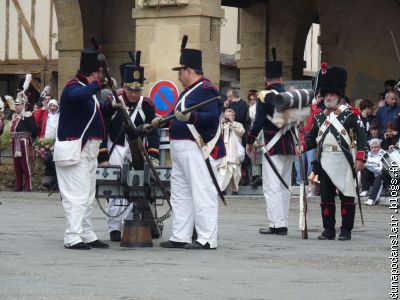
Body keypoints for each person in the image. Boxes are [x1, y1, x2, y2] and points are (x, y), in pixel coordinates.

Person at [152, 35, 225, 250]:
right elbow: (178, 116)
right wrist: (163, 122)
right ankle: (181, 235)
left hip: (197, 148)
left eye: (180, 71)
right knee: (180, 194)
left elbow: (211, 118)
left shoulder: (207, 90)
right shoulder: (187, 93)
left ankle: (206, 238)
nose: (179, 75)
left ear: (189, 70)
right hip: (181, 149)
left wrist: (191, 118)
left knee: (202, 193)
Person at [296, 65, 368, 241]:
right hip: (325, 160)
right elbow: (312, 137)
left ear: (339, 96)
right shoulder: (320, 117)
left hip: (344, 160)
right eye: (326, 94)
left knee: (347, 196)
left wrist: (360, 158)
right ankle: (328, 229)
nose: (328, 97)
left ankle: (346, 230)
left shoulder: (351, 115)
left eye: (332, 94)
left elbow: (362, 138)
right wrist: (303, 146)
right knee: (326, 198)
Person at [55, 48, 117, 250]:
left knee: (88, 196)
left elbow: (96, 116)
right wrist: (101, 84)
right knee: (77, 196)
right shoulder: (73, 87)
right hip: (76, 150)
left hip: (90, 150)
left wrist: (111, 107)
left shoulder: (89, 92)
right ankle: (72, 236)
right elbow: (77, 96)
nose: (100, 76)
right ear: (94, 72)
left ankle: (87, 234)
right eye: (99, 73)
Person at [98, 58, 160, 242]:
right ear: (124, 87)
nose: (134, 94)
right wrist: (103, 156)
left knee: (137, 187)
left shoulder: (147, 105)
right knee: (115, 188)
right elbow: (102, 122)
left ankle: (129, 223)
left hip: (138, 150)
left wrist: (153, 154)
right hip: (116, 147)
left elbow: (153, 132)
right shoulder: (113, 101)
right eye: (131, 90)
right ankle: (114, 228)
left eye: (137, 90)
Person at [245, 48, 296, 236]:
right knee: (284, 186)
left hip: (273, 146)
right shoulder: (290, 96)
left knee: (272, 186)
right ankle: (283, 221)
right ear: (281, 78)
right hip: (289, 145)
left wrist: (250, 141)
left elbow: (257, 122)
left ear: (266, 79)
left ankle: (277, 224)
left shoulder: (263, 95)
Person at [10, 91, 38, 192]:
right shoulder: (15, 116)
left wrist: (30, 139)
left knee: (25, 164)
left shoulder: (27, 115)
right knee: (17, 165)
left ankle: (28, 186)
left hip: (23, 141)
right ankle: (18, 186)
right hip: (15, 141)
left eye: (18, 105)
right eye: (16, 105)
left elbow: (34, 129)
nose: (16, 107)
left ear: (23, 105)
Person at [217, 109, 245, 195]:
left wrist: (232, 123)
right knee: (223, 171)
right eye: (226, 116)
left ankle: (234, 190)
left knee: (235, 171)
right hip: (224, 151)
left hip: (234, 151)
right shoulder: (221, 125)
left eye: (229, 116)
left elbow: (242, 132)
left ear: (233, 116)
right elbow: (216, 134)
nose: (228, 117)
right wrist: (221, 124)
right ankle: (223, 189)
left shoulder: (238, 124)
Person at [360, 139, 385, 205]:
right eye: (372, 147)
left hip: (381, 176)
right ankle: (365, 190)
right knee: (364, 169)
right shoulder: (368, 154)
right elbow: (365, 164)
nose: (374, 149)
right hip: (372, 176)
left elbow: (382, 168)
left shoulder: (384, 154)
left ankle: (372, 199)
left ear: (379, 147)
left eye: (376, 147)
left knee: (380, 176)